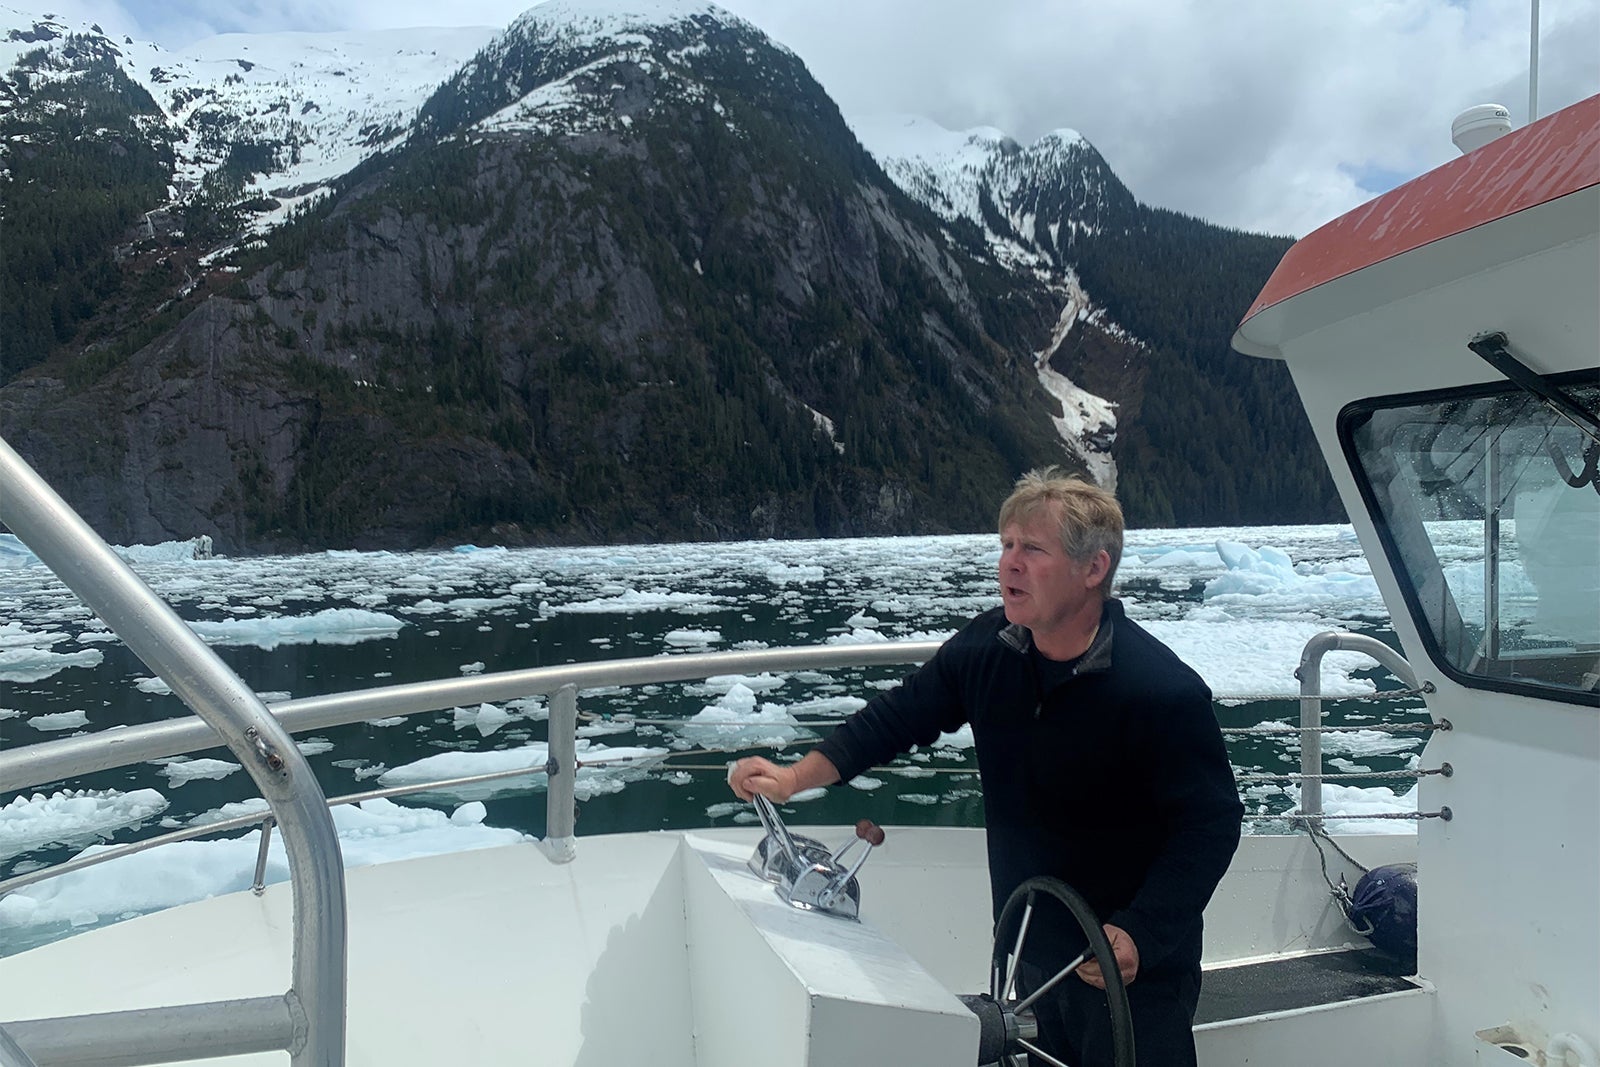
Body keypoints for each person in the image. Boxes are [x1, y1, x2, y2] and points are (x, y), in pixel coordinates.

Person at [728, 468, 1244, 1066]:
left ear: (1093, 569)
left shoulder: (1158, 690)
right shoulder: (989, 649)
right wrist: (795, 777)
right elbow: (900, 716)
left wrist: (1141, 932)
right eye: (1006, 545)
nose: (1010, 564)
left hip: (1129, 973)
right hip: (1027, 947)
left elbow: (1209, 825)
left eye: (1033, 549)